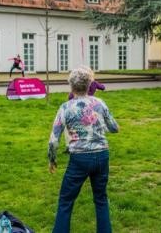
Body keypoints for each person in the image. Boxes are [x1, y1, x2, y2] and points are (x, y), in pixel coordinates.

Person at [48, 66, 119, 233]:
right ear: (90, 85)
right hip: (102, 155)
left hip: (79, 159)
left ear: (71, 86)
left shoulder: (65, 108)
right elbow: (114, 128)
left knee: (66, 201)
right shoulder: (99, 103)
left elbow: (54, 139)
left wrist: (52, 160)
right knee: (101, 199)